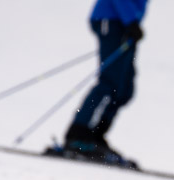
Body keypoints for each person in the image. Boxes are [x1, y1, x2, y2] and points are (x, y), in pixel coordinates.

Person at [48, 0, 148, 168]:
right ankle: (78, 135)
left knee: (124, 89)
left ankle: (95, 136)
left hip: (125, 23)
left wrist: (133, 22)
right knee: (110, 83)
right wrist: (131, 20)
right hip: (113, 19)